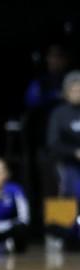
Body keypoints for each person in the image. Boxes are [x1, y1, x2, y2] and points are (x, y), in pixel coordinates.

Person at [47, 70, 80, 199]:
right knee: (70, 191)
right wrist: (74, 152)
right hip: (65, 163)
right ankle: (65, 219)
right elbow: (52, 143)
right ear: (66, 92)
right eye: (73, 89)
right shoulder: (59, 113)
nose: (77, 93)